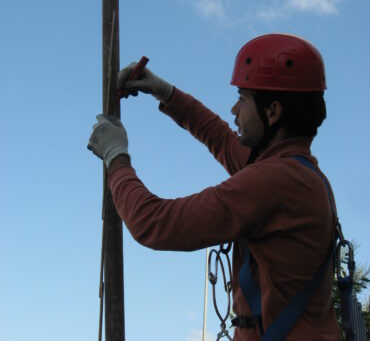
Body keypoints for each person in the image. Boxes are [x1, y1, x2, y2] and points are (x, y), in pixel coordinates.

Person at [88, 33, 341, 340]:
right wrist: (165, 92)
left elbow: (155, 223)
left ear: (273, 111)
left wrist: (116, 157)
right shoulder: (298, 173)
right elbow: (219, 137)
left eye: (243, 99)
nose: (234, 111)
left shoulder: (274, 182)